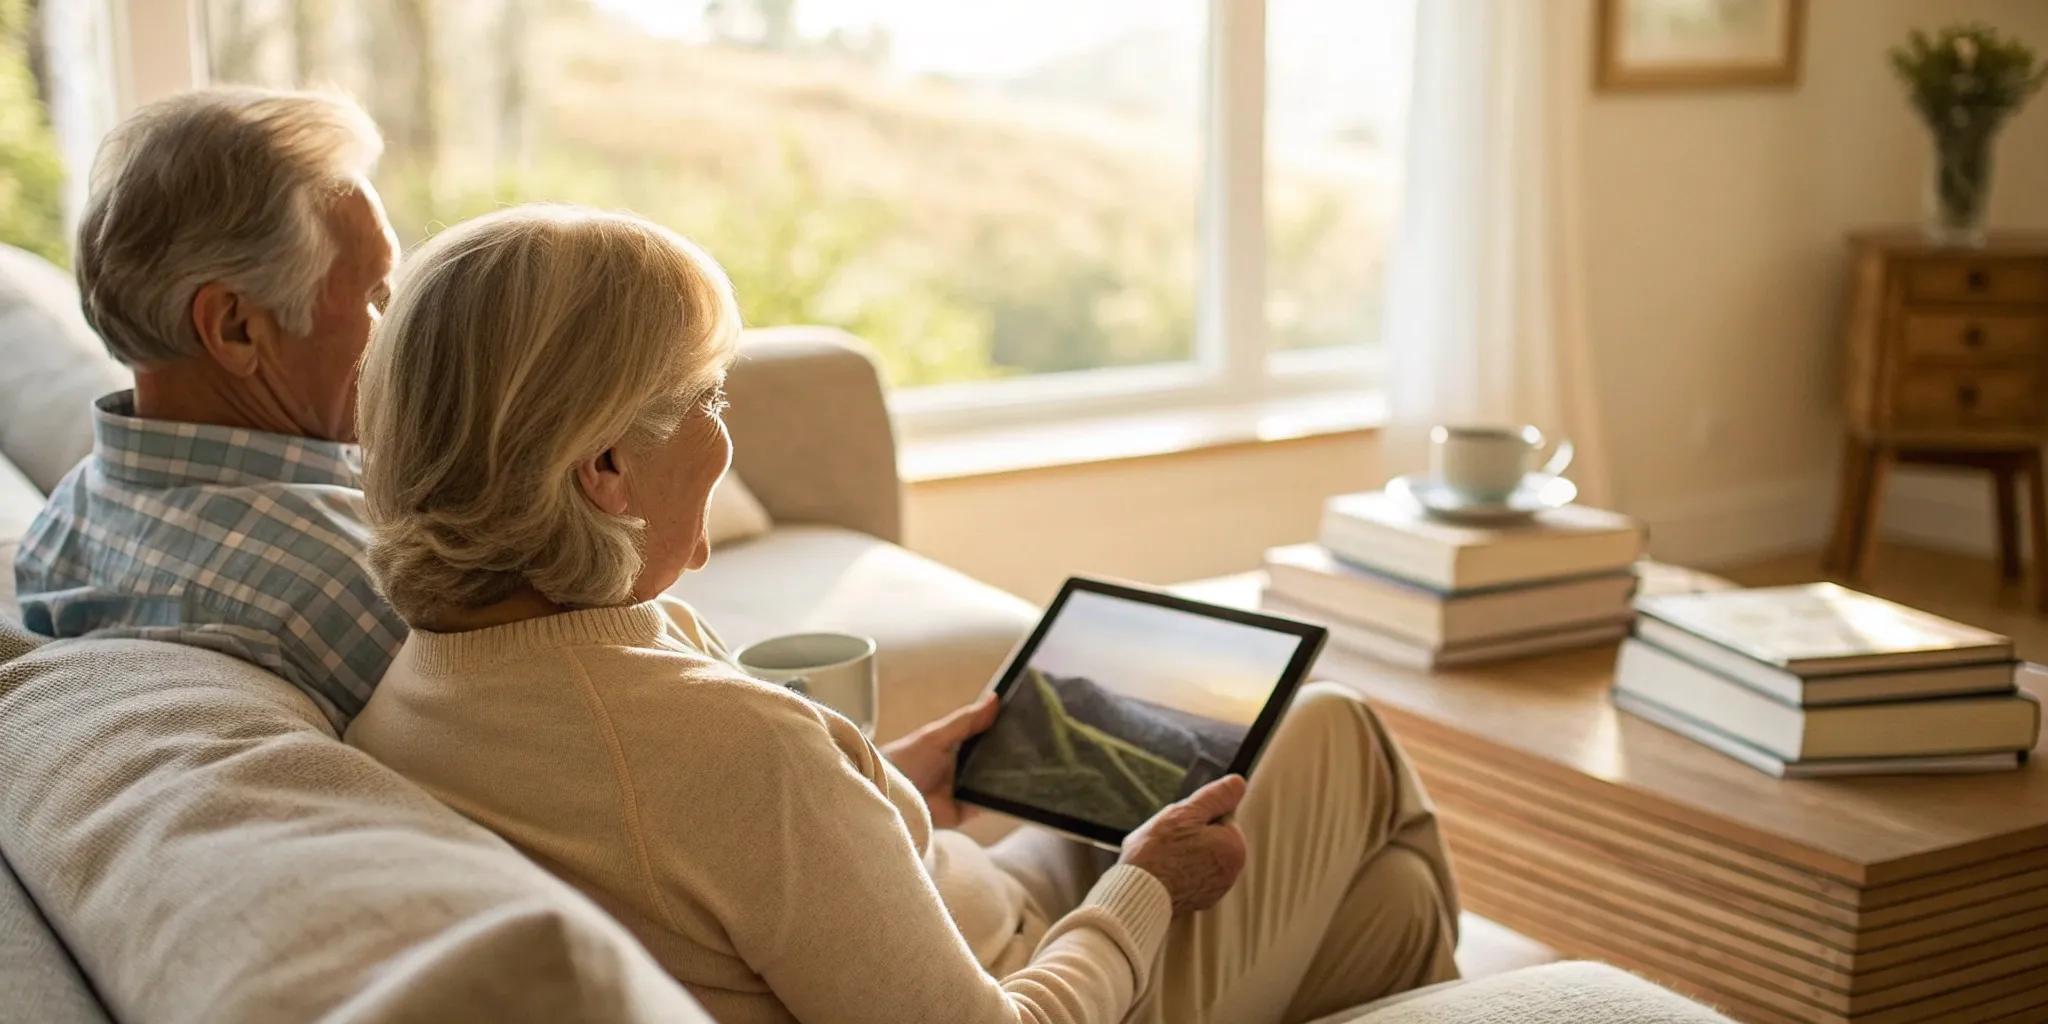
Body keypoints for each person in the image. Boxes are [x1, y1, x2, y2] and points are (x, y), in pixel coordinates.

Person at [345, 204, 1460, 1024]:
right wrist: (1145, 884)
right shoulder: (734, 754)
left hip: (955, 910)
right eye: (709, 400)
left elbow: (716, 847)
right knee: (1342, 737)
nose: (729, 438)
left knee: (1385, 904)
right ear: (603, 467)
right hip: (1026, 980)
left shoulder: (427, 676)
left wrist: (885, 786)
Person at [12, 87, 405, 728]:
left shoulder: (65, 524)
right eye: (374, 293)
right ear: (234, 328)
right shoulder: (348, 584)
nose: (398, 328)